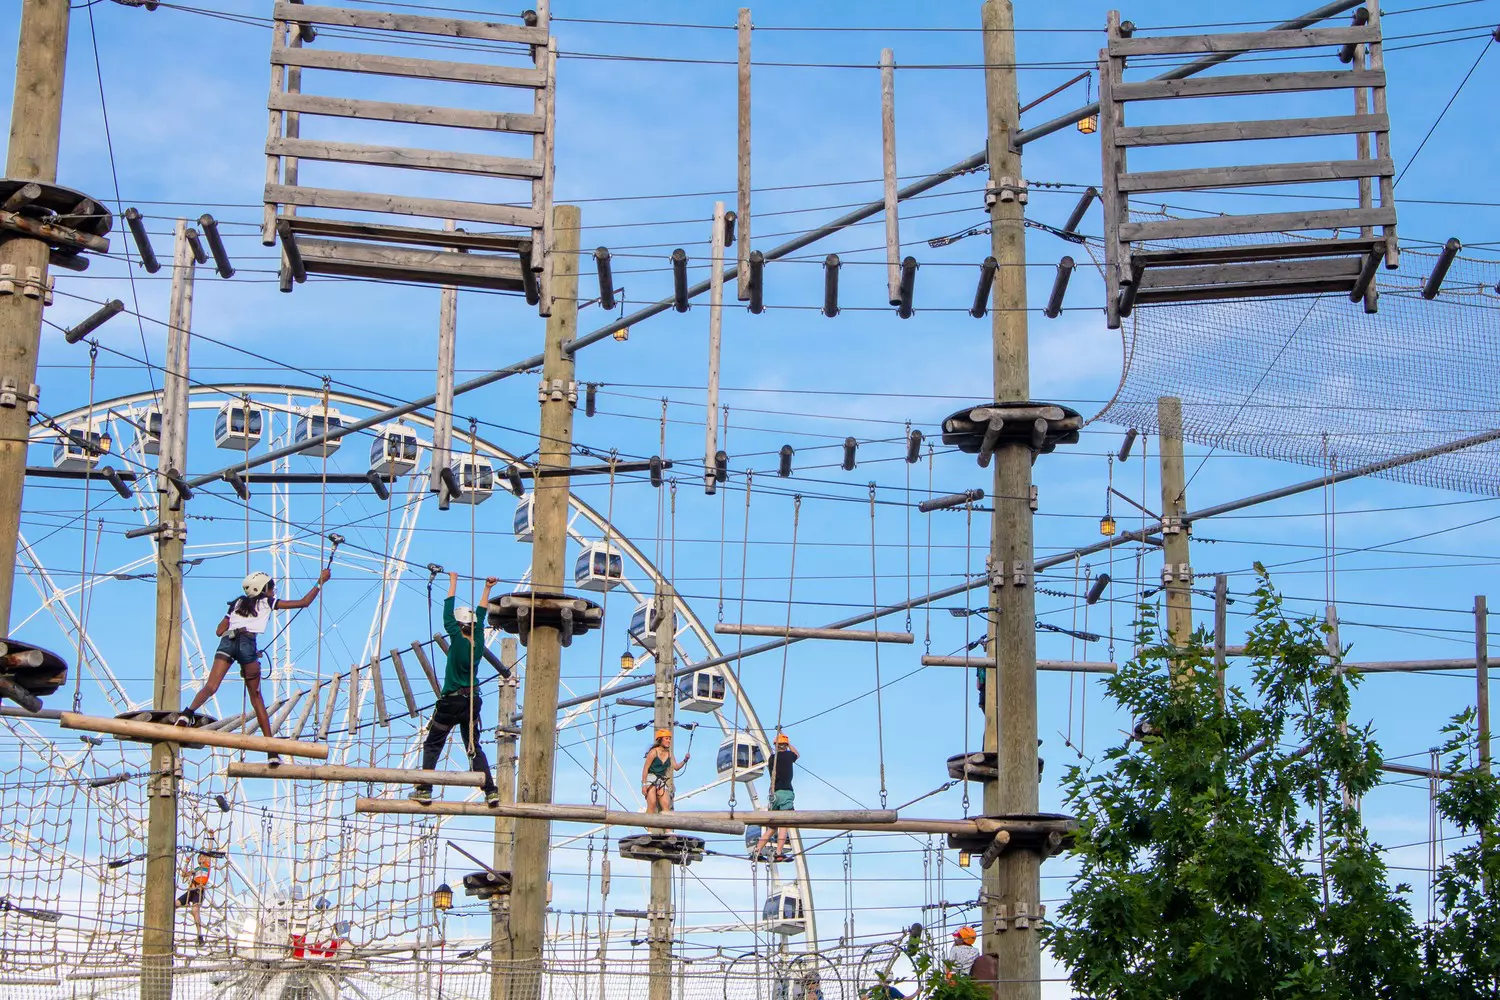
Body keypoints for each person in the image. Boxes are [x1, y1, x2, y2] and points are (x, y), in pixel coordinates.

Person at [181, 569, 331, 760]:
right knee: (256, 698)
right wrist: (320, 582)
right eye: (271, 587)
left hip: (227, 643)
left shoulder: (236, 603)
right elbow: (304, 603)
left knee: (211, 687)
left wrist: (237, 624)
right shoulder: (267, 602)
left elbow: (219, 631)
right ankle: (271, 751)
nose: (274, 590)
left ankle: (186, 715)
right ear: (263, 589)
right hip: (247, 645)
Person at [410, 572, 500, 805]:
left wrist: (452, 581)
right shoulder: (477, 642)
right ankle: (490, 790)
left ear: (458, 626)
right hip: (472, 703)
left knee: (433, 743)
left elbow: (447, 612)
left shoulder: (458, 640)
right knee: (472, 745)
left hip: (452, 702)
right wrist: (487, 589)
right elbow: (480, 614)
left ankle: (425, 789)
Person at [753, 733, 798, 862]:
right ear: (785, 745)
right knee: (784, 825)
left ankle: (757, 850)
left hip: (774, 795)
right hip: (785, 794)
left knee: (772, 827)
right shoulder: (789, 756)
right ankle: (779, 853)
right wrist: (789, 745)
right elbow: (797, 754)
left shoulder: (771, 759)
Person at [640, 728, 689, 812]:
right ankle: (649, 824)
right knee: (652, 803)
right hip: (650, 778)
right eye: (666, 738)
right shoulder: (653, 752)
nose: (669, 741)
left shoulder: (669, 754)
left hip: (661, 780)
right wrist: (644, 785)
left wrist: (685, 760)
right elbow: (645, 769)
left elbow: (676, 767)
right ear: (660, 740)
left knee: (666, 806)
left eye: (669, 739)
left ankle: (666, 825)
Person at [176, 849, 214, 946]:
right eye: (199, 857)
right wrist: (186, 863)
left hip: (199, 891)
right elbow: (184, 874)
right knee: (175, 904)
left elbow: (208, 853)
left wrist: (211, 837)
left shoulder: (207, 867)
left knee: (195, 910)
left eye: (203, 856)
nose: (201, 857)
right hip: (190, 891)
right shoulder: (196, 870)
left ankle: (199, 935)